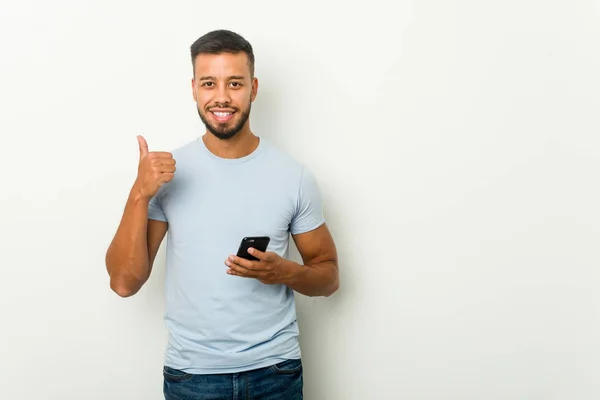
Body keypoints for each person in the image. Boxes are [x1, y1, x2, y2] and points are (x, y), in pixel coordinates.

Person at [105, 29, 339, 399]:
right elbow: (124, 282)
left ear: (254, 88)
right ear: (194, 88)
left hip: (275, 372)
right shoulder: (167, 173)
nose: (222, 97)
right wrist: (139, 193)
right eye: (209, 83)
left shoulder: (293, 177)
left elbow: (329, 278)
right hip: (192, 377)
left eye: (235, 83)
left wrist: (284, 272)